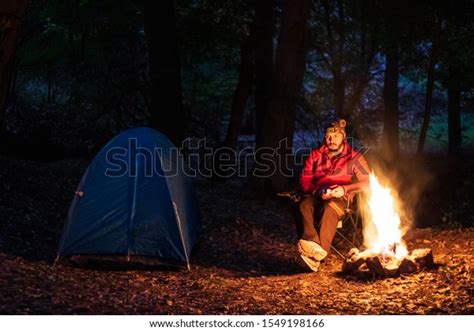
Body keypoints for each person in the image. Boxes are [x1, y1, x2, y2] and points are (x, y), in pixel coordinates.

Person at [297, 119, 370, 271]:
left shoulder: (355, 157)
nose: (331, 140)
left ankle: (317, 255)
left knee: (330, 208)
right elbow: (304, 181)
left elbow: (368, 183)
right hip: (317, 195)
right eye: (328, 136)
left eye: (336, 136)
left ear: (343, 136)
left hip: (340, 199)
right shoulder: (316, 155)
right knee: (304, 205)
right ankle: (315, 248)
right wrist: (317, 191)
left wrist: (345, 189)